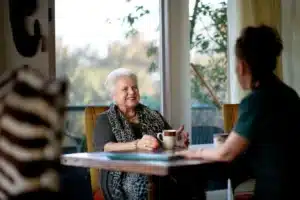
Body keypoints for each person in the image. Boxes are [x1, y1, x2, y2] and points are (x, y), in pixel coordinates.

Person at [178, 24, 300, 200]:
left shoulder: (255, 101)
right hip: (293, 185)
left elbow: (225, 153)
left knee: (194, 175)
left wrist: (193, 152)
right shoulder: (290, 94)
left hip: (273, 191)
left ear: (242, 66)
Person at [93, 68, 190, 200]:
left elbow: (166, 139)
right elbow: (106, 147)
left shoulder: (153, 114)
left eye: (134, 88)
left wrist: (176, 142)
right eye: (125, 89)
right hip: (121, 174)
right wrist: (137, 144)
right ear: (113, 95)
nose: (132, 92)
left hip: (158, 168)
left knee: (190, 174)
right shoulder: (105, 119)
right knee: (142, 182)